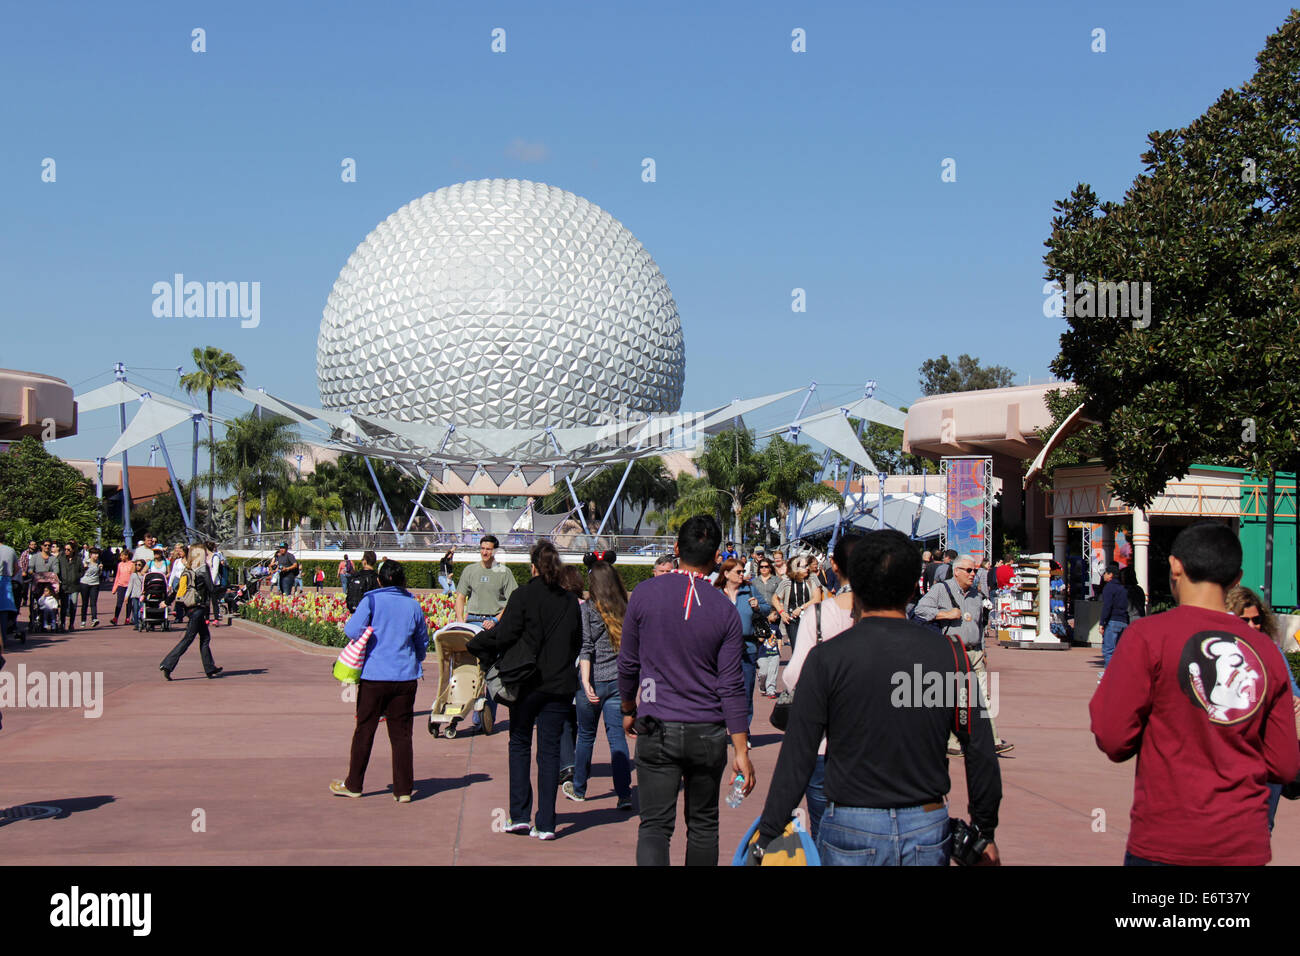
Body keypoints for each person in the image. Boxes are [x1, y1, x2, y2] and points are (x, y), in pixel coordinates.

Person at [755, 529, 1002, 866]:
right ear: (915, 585)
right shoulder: (950, 656)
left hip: (851, 822)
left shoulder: (827, 659)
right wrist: (984, 830)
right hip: (926, 821)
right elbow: (979, 747)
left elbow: (798, 755)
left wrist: (768, 833)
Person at [1091, 521, 1300, 865]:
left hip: (1164, 840)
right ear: (1237, 578)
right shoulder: (1266, 652)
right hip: (1242, 844)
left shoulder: (1146, 636)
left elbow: (1113, 739)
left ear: (1175, 565)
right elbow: (1285, 764)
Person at [619, 514, 754, 866]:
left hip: (656, 722)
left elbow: (628, 664)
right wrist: (741, 748)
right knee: (704, 826)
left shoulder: (645, 594)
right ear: (715, 559)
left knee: (654, 827)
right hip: (706, 731)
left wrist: (628, 708)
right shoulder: (724, 609)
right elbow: (731, 684)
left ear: (676, 549)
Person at [467, 541, 582, 840]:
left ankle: (519, 815)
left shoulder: (523, 595)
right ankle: (545, 823)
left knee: (519, 743)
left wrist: (476, 644)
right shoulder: (569, 601)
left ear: (533, 566)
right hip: (557, 685)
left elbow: (504, 636)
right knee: (549, 752)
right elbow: (577, 642)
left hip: (526, 683)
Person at [779, 532, 863, 840]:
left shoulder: (818, 615)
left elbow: (795, 675)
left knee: (824, 831)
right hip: (874, 744)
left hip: (824, 742)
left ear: (834, 566)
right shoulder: (890, 616)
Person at [330, 560, 428, 802]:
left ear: (379, 580)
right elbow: (422, 642)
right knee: (402, 734)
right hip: (405, 677)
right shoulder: (412, 605)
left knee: (365, 729)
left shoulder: (371, 601)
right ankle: (403, 790)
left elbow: (351, 631)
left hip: (374, 676)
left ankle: (354, 784)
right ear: (402, 581)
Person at [912, 553, 1014, 756]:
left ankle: (991, 740)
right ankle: (953, 742)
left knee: (984, 697)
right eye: (969, 570)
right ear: (956, 571)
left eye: (975, 570)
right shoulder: (942, 589)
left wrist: (983, 648)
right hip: (953, 652)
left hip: (975, 652)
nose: (973, 574)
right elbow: (921, 610)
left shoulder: (976, 595)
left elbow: (979, 624)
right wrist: (946, 614)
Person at [1226, 585, 1300, 832]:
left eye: (1256, 620)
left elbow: (1293, 694)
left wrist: (1292, 699)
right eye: (1244, 620)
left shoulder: (1272, 651)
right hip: (1231, 757)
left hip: (1267, 755)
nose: (1252, 626)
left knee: (1262, 828)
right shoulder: (1219, 654)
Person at [566, 560, 634, 809]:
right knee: (617, 738)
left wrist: (585, 680)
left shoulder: (588, 610)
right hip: (617, 681)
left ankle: (580, 788)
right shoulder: (624, 609)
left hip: (593, 679)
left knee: (585, 736)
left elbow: (586, 647)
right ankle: (624, 794)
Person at [456, 535, 518, 729]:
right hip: (472, 621)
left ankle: (486, 714)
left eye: (488, 549)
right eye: (482, 548)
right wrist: (460, 621)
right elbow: (460, 596)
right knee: (467, 668)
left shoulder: (504, 572)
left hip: (492, 624)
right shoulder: (470, 571)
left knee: (490, 671)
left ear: (495, 551)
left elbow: (511, 600)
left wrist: (496, 620)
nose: (485, 552)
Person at [714, 557, 772, 728]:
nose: (742, 575)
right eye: (738, 572)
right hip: (723, 649)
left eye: (742, 572)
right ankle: (722, 726)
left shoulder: (750, 589)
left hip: (748, 647)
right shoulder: (716, 593)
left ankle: (744, 730)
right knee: (721, 690)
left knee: (746, 691)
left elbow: (767, 608)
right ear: (726, 573)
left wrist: (758, 607)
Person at [159, 545, 222, 680]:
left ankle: (210, 668)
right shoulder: (203, 569)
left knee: (205, 637)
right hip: (198, 608)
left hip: (189, 607)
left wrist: (167, 601)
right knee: (188, 638)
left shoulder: (188, 568)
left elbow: (177, 589)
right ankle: (167, 664)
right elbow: (211, 588)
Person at [773, 555, 822, 653]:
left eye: (807, 565)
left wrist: (801, 608)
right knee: (797, 649)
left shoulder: (812, 578)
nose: (807, 568)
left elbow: (817, 599)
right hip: (792, 620)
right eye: (804, 566)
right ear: (795, 568)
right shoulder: (787, 581)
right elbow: (775, 599)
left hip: (810, 618)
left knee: (811, 648)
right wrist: (782, 612)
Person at [751, 556, 783, 697]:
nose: (764, 569)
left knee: (773, 649)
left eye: (766, 566)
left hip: (773, 615)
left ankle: (771, 687)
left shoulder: (777, 581)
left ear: (770, 568)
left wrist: (776, 612)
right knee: (761, 645)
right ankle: (762, 673)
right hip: (758, 616)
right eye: (761, 567)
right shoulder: (754, 582)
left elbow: (780, 597)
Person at [1097, 561, 1128, 680]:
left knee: (1108, 650)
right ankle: (1120, 674)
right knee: (1119, 650)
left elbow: (1107, 606)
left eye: (1105, 573)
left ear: (1110, 575)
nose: (1104, 575)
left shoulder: (1109, 588)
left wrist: (1102, 623)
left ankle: (1110, 675)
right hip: (1123, 621)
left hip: (1113, 620)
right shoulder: (1122, 588)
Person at [57, 541, 84, 632]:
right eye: (65, 549)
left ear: (73, 550)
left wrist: (77, 577)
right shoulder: (61, 559)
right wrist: (61, 579)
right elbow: (58, 570)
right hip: (64, 585)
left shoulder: (78, 559)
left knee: (73, 605)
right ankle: (62, 623)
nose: (66, 551)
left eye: (68, 549)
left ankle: (71, 623)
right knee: (64, 606)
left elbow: (82, 571)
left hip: (74, 585)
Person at [0, 531, 17, 648]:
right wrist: (10, 576)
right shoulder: (11, 550)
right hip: (6, 581)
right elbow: (17, 568)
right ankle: (3, 641)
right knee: (3, 613)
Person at [78, 548, 102, 628]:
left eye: (97, 554)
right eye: (94, 554)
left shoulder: (98, 563)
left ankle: (94, 619)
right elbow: (80, 572)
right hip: (85, 583)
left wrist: (100, 569)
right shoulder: (86, 562)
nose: (96, 555)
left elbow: (99, 574)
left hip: (95, 583)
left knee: (93, 602)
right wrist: (84, 568)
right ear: (90, 555)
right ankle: (83, 620)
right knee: (85, 602)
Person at [110, 545, 134, 626]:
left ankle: (127, 618)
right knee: (119, 602)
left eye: (122, 555)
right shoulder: (120, 564)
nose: (120, 557)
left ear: (126, 556)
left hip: (129, 586)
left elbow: (132, 576)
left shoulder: (131, 564)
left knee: (129, 602)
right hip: (121, 585)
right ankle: (115, 618)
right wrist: (115, 587)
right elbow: (117, 576)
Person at [126, 560, 145, 627]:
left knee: (142, 609)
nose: (137, 566)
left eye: (139, 565)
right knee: (135, 609)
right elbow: (130, 586)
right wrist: (127, 596)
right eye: (136, 564)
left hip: (142, 596)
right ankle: (136, 624)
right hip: (135, 595)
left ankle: (143, 622)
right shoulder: (133, 575)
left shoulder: (145, 575)